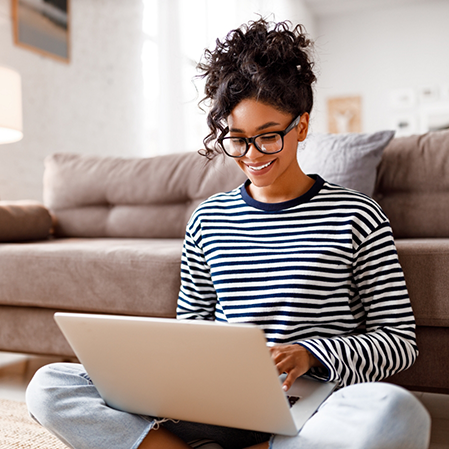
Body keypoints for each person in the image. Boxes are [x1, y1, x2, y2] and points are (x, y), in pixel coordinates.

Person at [26, 19, 431, 449]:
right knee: (49, 385)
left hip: (313, 405)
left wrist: (313, 354)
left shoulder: (357, 215)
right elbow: (190, 329)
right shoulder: (208, 219)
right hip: (214, 403)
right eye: (236, 140)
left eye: (268, 137)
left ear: (303, 126)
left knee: (393, 411)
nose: (252, 155)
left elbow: (399, 341)